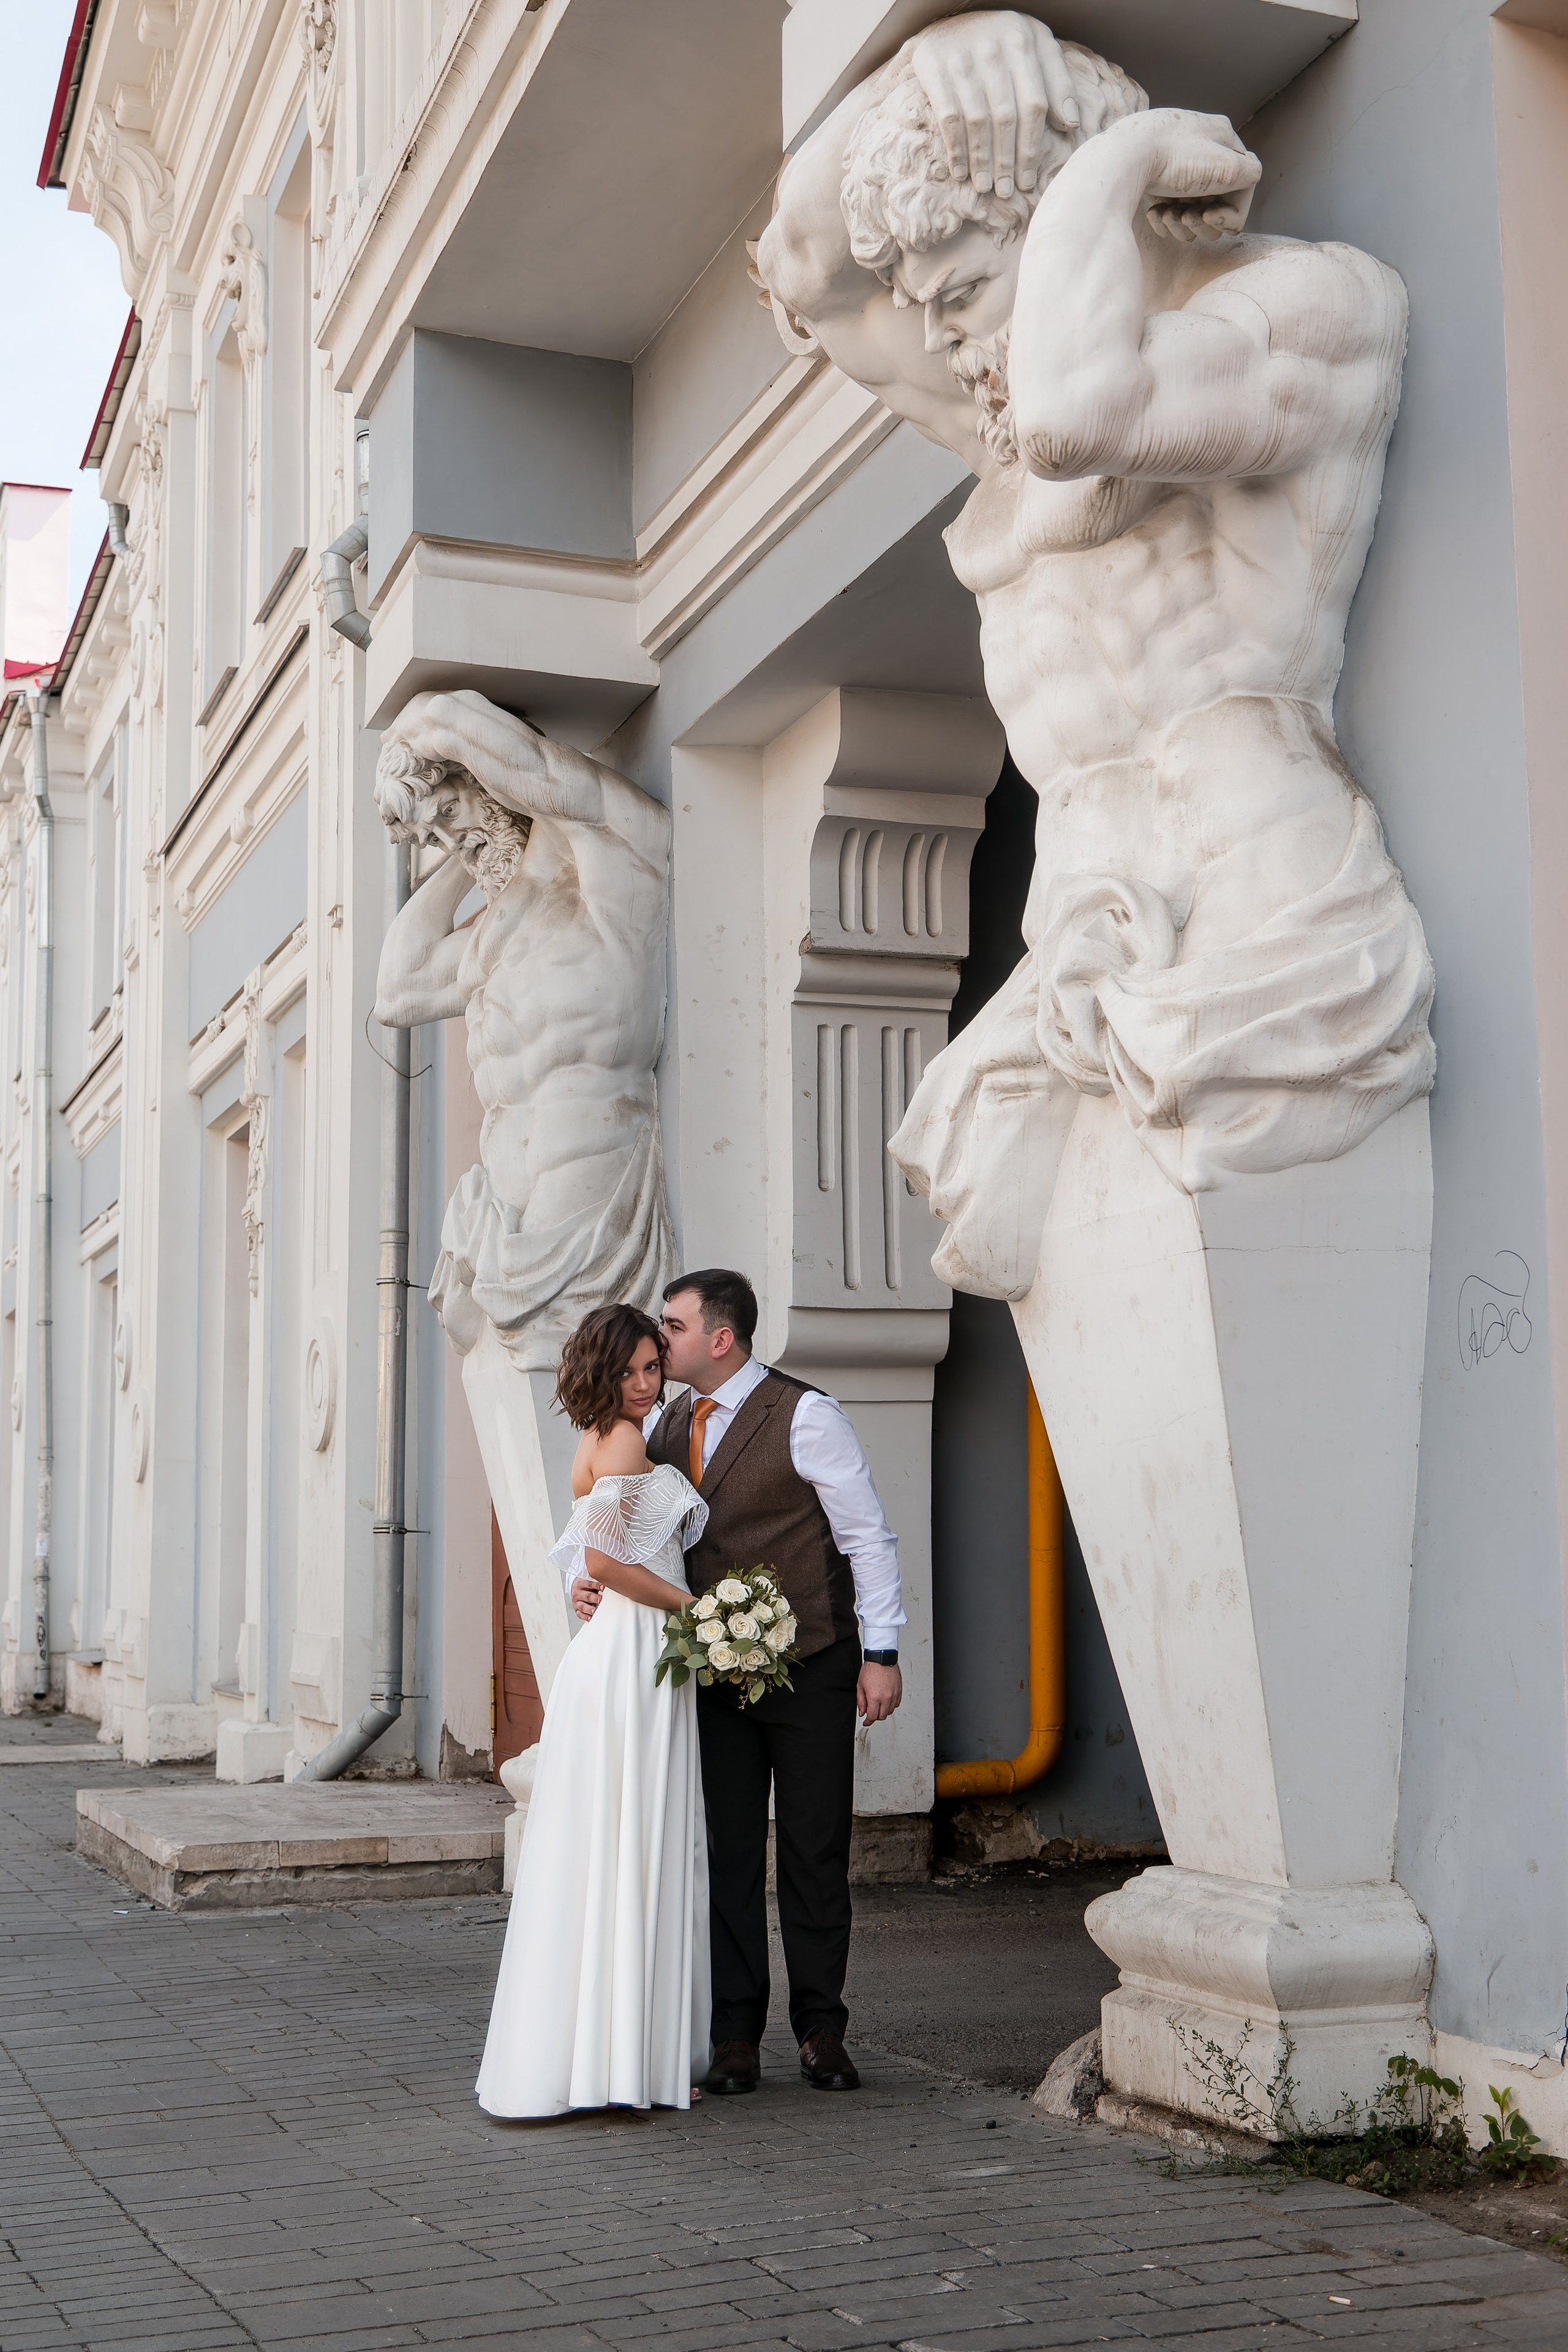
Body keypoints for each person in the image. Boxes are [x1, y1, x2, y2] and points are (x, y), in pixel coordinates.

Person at [755, 12, 1433, 1294]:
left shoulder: (1301, 313)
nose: (944, 347)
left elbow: (1082, 411)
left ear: (1070, 227)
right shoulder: (993, 411)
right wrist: (943, 58)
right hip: (1069, 955)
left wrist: (1106, 167)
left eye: (960, 294)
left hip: (1258, 916)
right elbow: (799, 267)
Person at [571, 1268, 905, 2096]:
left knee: (813, 1849)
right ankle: (735, 2038)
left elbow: (868, 1537)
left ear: (719, 1339)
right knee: (722, 1853)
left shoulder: (808, 1414)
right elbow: (615, 1527)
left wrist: (882, 1654)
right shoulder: (665, 1421)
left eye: (673, 1329)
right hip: (711, 1677)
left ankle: (823, 2030)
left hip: (813, 1666)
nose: (660, 1342)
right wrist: (582, 1580)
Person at [475, 1303, 708, 2118]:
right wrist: (696, 1609)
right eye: (631, 1371)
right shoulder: (623, 1439)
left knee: (613, 1843)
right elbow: (608, 1558)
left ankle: (611, 2051)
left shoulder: (599, 1438)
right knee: (633, 1841)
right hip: (636, 1656)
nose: (646, 1384)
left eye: (654, 1366)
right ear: (601, 1373)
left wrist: (598, 1579)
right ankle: (626, 2058)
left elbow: (591, 1559)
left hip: (618, 1651)